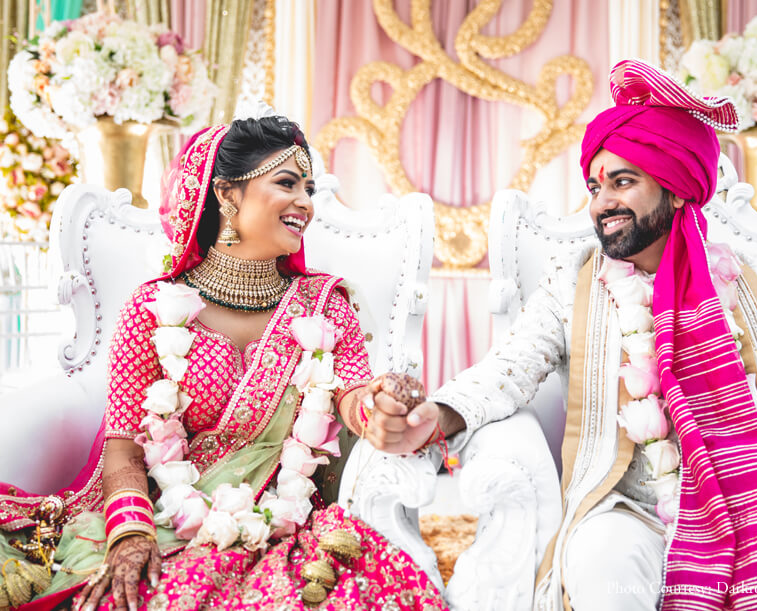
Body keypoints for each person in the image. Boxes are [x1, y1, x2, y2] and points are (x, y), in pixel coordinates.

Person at [370, 60, 757, 610]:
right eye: (595, 185)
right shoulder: (574, 286)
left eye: (622, 182)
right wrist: (437, 414)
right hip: (629, 512)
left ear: (676, 191)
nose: (601, 202)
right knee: (604, 565)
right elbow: (505, 372)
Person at [0, 114, 447, 610]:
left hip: (283, 522)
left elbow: (352, 397)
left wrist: (382, 404)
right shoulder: (153, 309)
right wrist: (131, 535)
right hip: (163, 514)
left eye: (309, 189)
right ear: (226, 194)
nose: (305, 202)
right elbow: (122, 448)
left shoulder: (324, 305)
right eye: (287, 183)